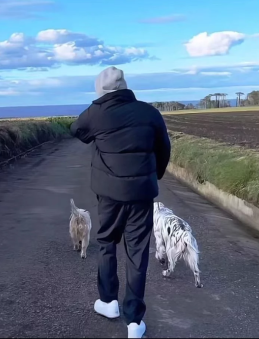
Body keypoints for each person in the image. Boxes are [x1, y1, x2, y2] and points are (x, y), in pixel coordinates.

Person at [70, 66, 171, 338]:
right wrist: (151, 177)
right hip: (142, 193)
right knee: (138, 252)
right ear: (125, 86)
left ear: (101, 90)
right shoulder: (149, 112)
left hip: (109, 194)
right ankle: (135, 323)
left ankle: (108, 302)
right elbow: (164, 148)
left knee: (106, 243)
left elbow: (76, 129)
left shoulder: (96, 112)